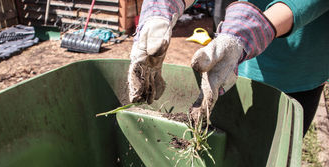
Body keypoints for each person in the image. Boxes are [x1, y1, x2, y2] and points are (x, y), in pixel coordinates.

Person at [127, 0, 329, 135]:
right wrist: (161, 9)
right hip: (232, 44)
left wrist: (255, 28)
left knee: (267, 163)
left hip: (294, 67)